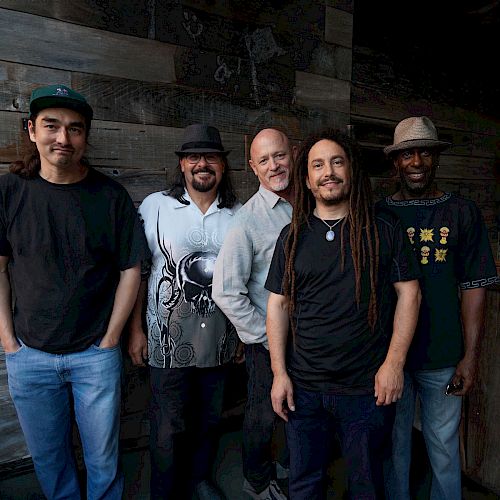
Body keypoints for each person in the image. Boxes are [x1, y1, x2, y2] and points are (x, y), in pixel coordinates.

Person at [0, 84, 149, 499]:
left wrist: (111, 339)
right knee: (49, 456)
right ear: (32, 130)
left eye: (75, 129)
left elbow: (131, 270)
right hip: (29, 354)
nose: (63, 138)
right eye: (52, 126)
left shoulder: (110, 197)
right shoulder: (9, 192)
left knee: (103, 456)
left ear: (85, 136)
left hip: (94, 355)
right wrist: (8, 341)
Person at [265, 128, 421, 499]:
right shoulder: (292, 235)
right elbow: (277, 305)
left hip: (366, 389)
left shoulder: (383, 230)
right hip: (304, 389)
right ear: (307, 178)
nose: (328, 172)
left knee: (366, 486)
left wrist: (394, 365)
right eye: (318, 165)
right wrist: (279, 373)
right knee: (304, 484)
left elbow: (410, 295)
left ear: (351, 170)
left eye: (337, 162)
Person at [378, 116, 499, 500]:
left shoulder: (461, 213)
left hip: (443, 354)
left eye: (425, 153)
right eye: (408, 154)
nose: (417, 162)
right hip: (389, 359)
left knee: (443, 449)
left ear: (436, 159)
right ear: (396, 162)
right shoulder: (379, 214)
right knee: (393, 447)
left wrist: (470, 357)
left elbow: (474, 287)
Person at [128, 123, 242, 500]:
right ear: (181, 165)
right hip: (165, 342)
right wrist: (136, 331)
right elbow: (140, 273)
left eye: (210, 156)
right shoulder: (155, 207)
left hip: (221, 342)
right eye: (193, 157)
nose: (202, 164)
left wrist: (243, 332)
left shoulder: (239, 216)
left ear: (223, 166)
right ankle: (166, 492)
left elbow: (249, 278)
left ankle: (199, 480)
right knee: (167, 427)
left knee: (209, 421)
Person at [213, 128, 294, 500]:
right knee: (263, 414)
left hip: (310, 337)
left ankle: (292, 470)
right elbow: (225, 291)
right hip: (267, 341)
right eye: (264, 160)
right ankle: (256, 480)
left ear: (292, 155)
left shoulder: (311, 204)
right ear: (253, 168)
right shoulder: (247, 221)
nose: (274, 165)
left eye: (279, 155)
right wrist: (263, 336)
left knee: (300, 409)